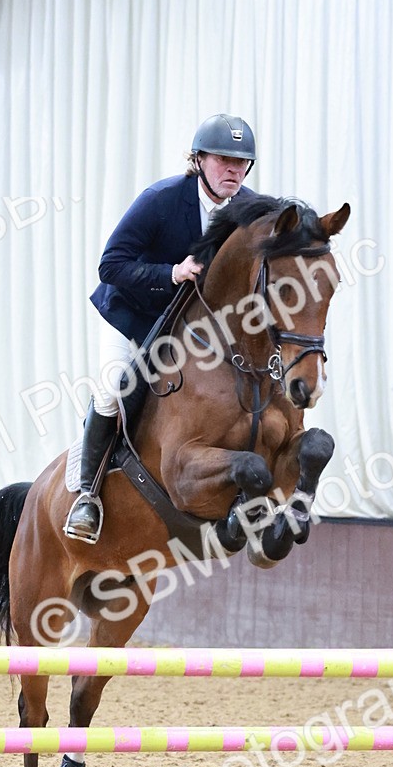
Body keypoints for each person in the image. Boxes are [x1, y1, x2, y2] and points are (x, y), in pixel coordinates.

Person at [65, 113, 257, 543]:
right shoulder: (163, 199)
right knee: (114, 386)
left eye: (242, 162)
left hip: (190, 332)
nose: (233, 169)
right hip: (134, 316)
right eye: (224, 159)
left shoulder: (249, 209)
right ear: (199, 159)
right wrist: (171, 272)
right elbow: (110, 265)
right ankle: (88, 495)